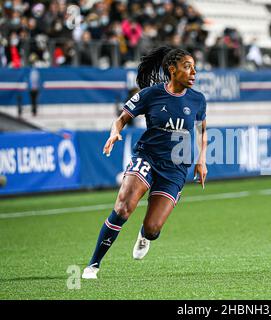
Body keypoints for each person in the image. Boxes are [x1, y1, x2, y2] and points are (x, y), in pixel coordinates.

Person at [82, 46, 208, 279]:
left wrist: (202, 160)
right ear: (172, 70)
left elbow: (202, 131)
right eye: (187, 67)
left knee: (153, 228)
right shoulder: (151, 94)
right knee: (123, 207)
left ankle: (144, 235)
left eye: (195, 68)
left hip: (176, 167)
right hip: (147, 157)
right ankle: (93, 265)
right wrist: (113, 133)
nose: (193, 73)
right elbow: (121, 119)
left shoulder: (198, 100)